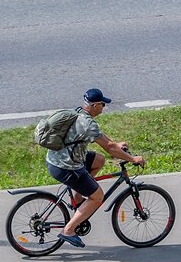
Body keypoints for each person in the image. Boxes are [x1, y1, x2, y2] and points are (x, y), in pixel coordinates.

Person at [45, 88, 144, 248]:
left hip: (58, 159)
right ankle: (68, 230)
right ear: (96, 105)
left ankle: (78, 197)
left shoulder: (78, 112)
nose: (104, 107)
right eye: (103, 104)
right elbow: (109, 147)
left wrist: (117, 145)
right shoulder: (87, 123)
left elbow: (105, 141)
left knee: (99, 160)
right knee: (97, 197)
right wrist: (133, 159)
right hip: (65, 166)